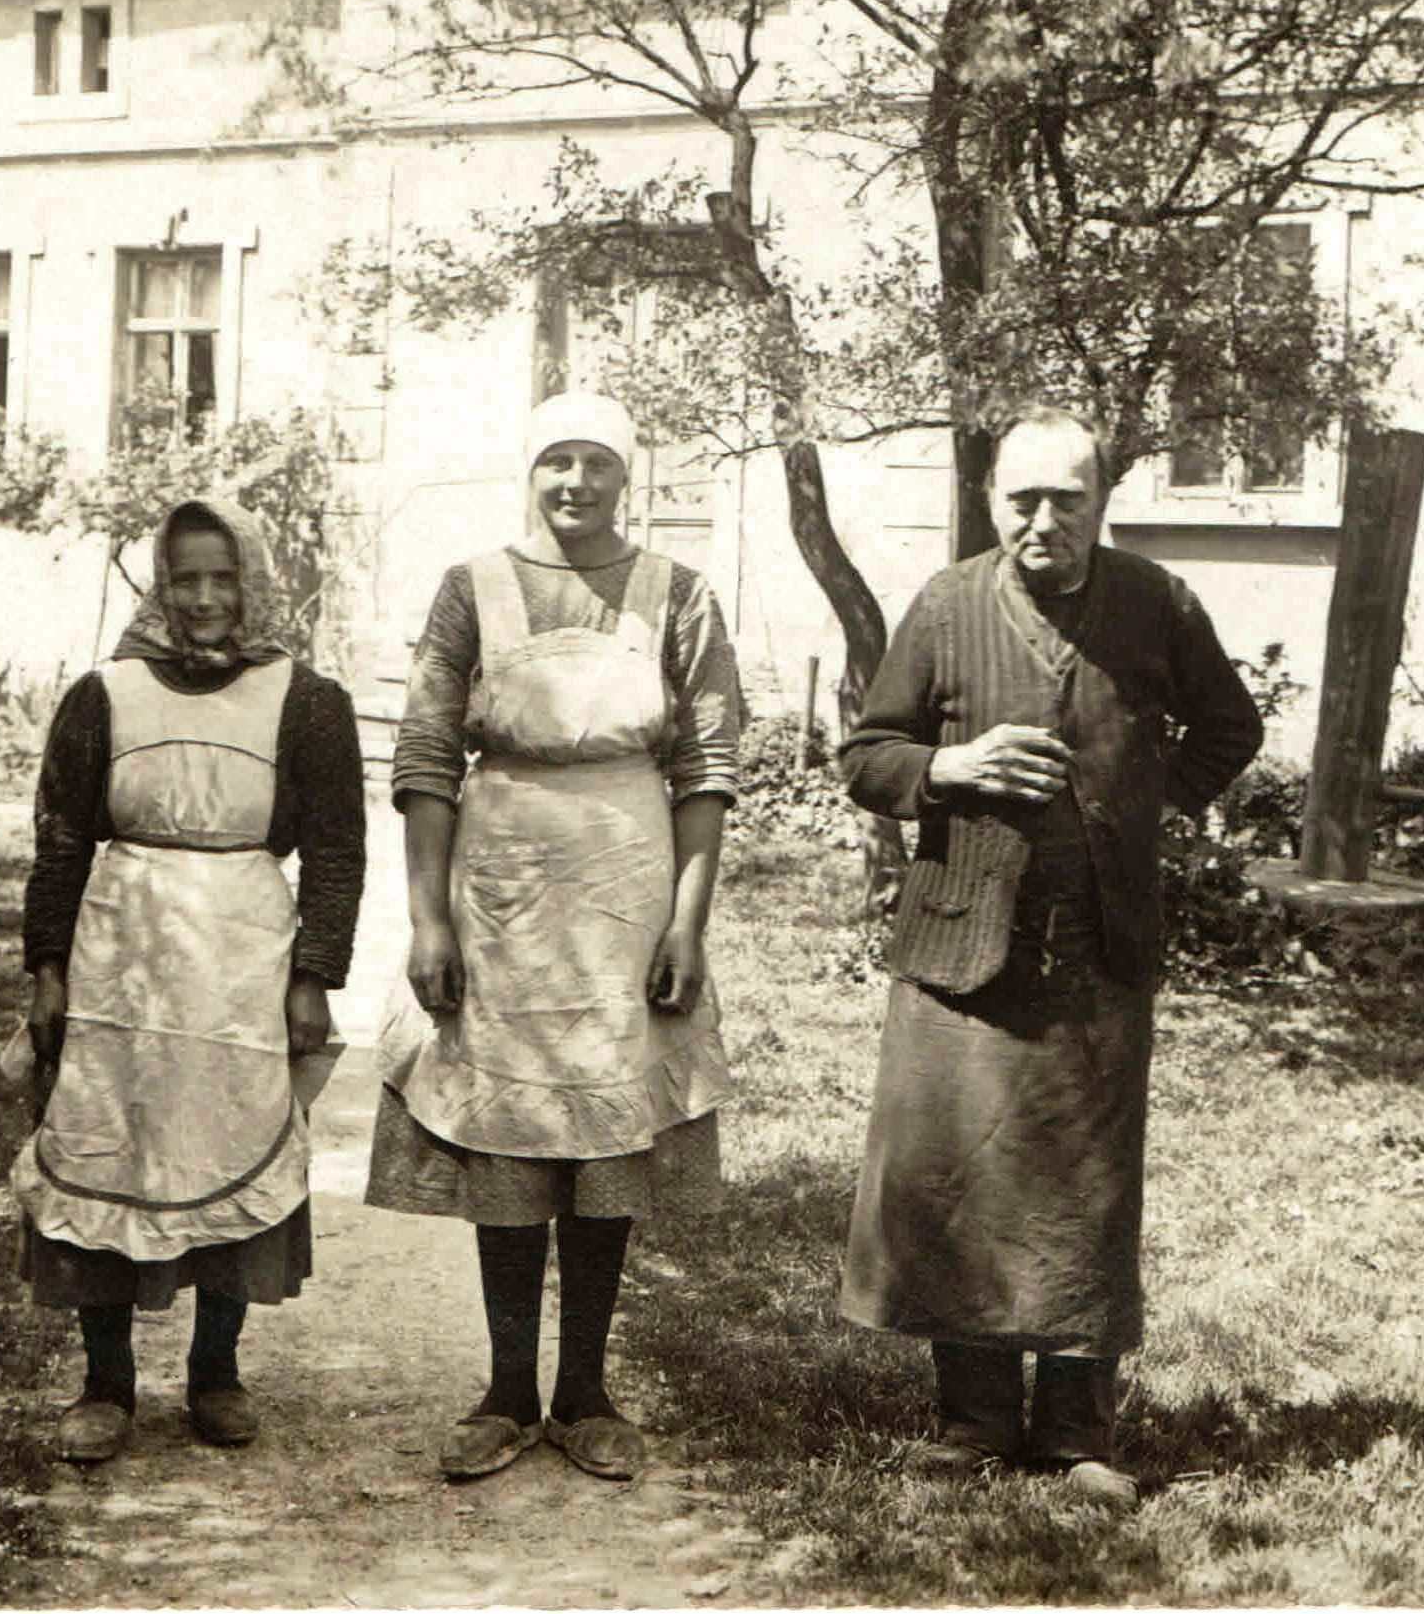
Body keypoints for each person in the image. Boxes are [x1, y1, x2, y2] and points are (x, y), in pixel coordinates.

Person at [836, 406, 1263, 1507]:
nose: (1042, 520)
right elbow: (868, 754)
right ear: (991, 502)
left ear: (1100, 504)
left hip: (1098, 949)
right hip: (961, 948)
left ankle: (1077, 1430)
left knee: (1086, 1187)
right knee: (957, 1183)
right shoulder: (945, 603)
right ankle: (974, 1421)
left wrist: (1141, 804)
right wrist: (954, 765)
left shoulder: (1155, 603)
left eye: (1065, 499)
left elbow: (1229, 728)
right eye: (1021, 498)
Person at [371, 391, 741, 1485]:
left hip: (627, 890)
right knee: (509, 1132)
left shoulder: (679, 594)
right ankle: (504, 1390)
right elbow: (426, 759)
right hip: (503, 893)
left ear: (628, 475)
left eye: (597, 464)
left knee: (605, 1138)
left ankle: (584, 1390)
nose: (575, 482)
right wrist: (429, 916)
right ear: (526, 472)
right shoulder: (469, 589)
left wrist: (687, 921)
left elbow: (707, 768)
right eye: (555, 462)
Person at [14, 496, 367, 1463]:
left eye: (224, 578)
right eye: (184, 579)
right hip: (118, 950)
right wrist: (47, 965)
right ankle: (106, 1382)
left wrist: (313, 974)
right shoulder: (103, 694)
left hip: (239, 952)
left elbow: (336, 851)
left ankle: (216, 1370)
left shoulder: (308, 700)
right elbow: (57, 842)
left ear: (252, 582)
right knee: (106, 1140)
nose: (205, 598)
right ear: (158, 586)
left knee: (229, 1134)